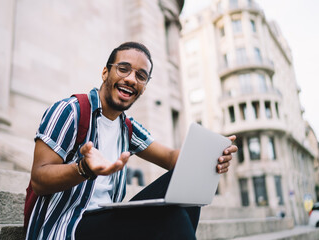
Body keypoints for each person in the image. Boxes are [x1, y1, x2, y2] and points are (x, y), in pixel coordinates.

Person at [26, 42, 238, 240]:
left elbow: (171, 158)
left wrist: (211, 157)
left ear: (144, 87)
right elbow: (39, 180)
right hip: (64, 229)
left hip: (105, 221)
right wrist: (84, 168)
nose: (131, 79)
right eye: (123, 69)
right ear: (105, 72)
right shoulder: (70, 110)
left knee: (186, 192)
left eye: (141, 76)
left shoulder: (127, 127)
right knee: (171, 218)